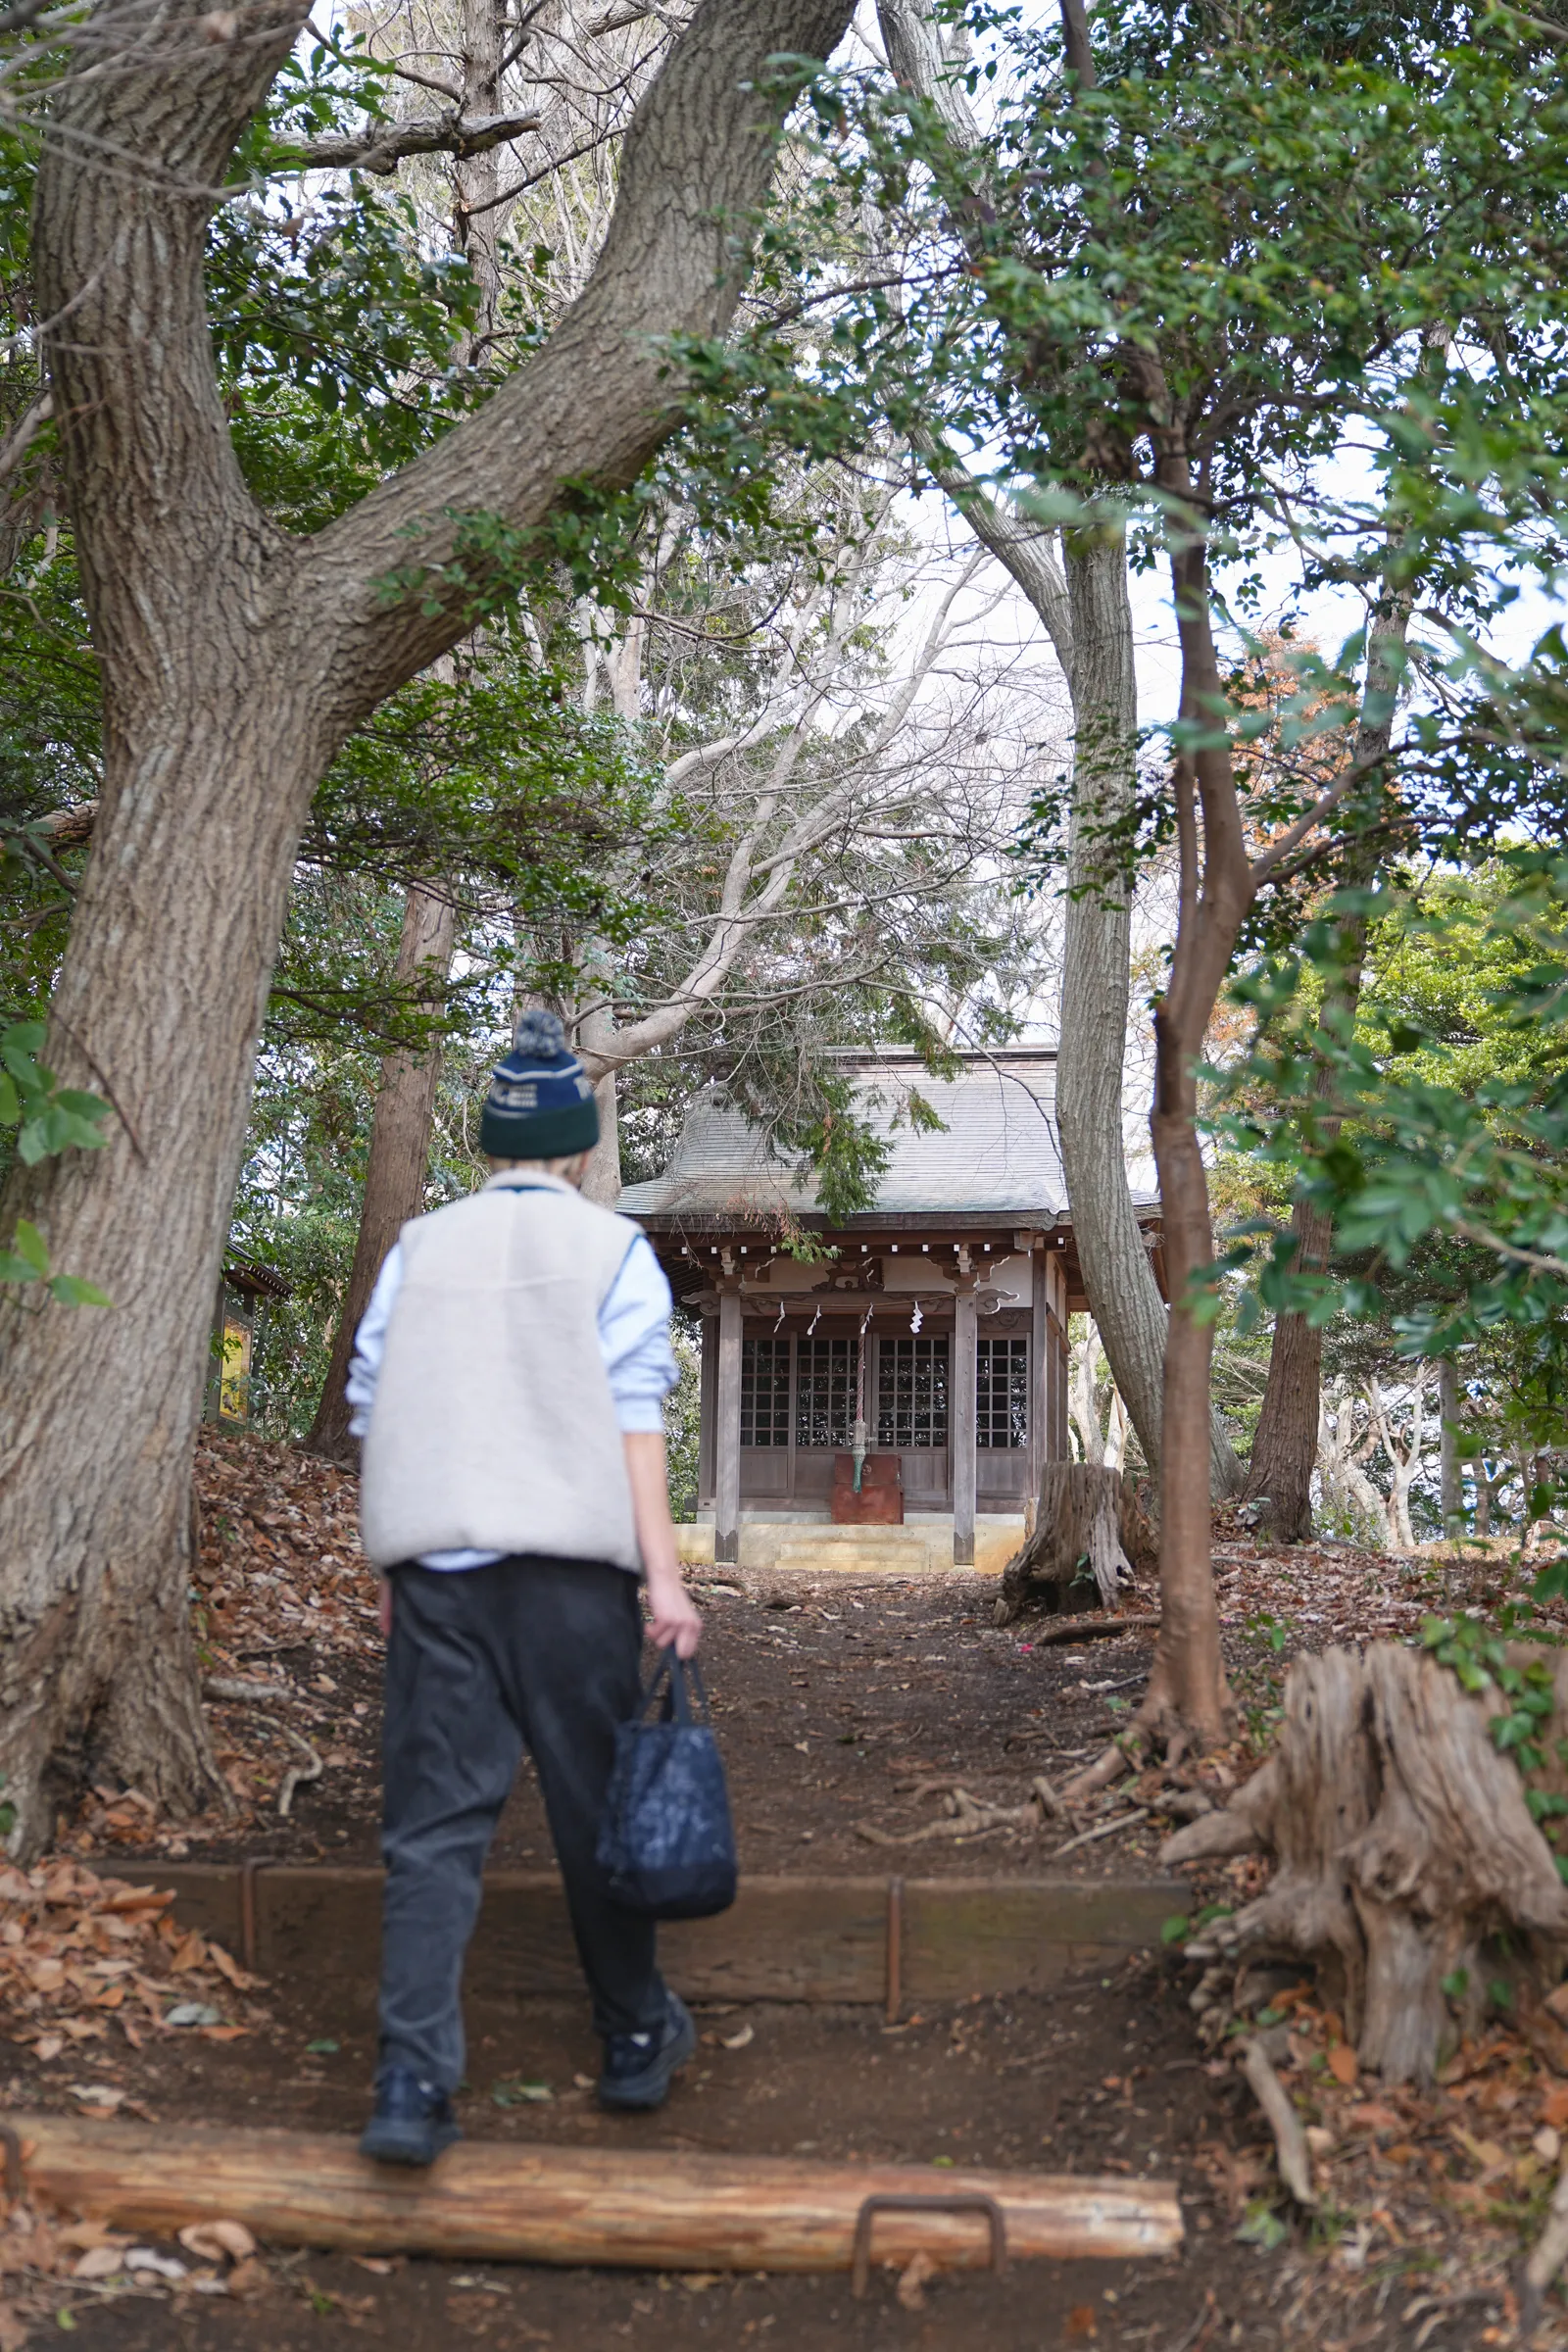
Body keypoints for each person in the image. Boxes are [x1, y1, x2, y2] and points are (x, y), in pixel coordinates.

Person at [346, 1007, 704, 2167]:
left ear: (489, 1143)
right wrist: (665, 1582)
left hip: (439, 1569)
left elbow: (374, 1396)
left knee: (434, 1829)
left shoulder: (419, 1246)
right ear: (580, 1148)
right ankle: (634, 2035)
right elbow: (634, 1421)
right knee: (596, 1813)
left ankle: (411, 2083)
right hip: (567, 1577)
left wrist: (393, 1559)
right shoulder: (612, 1251)